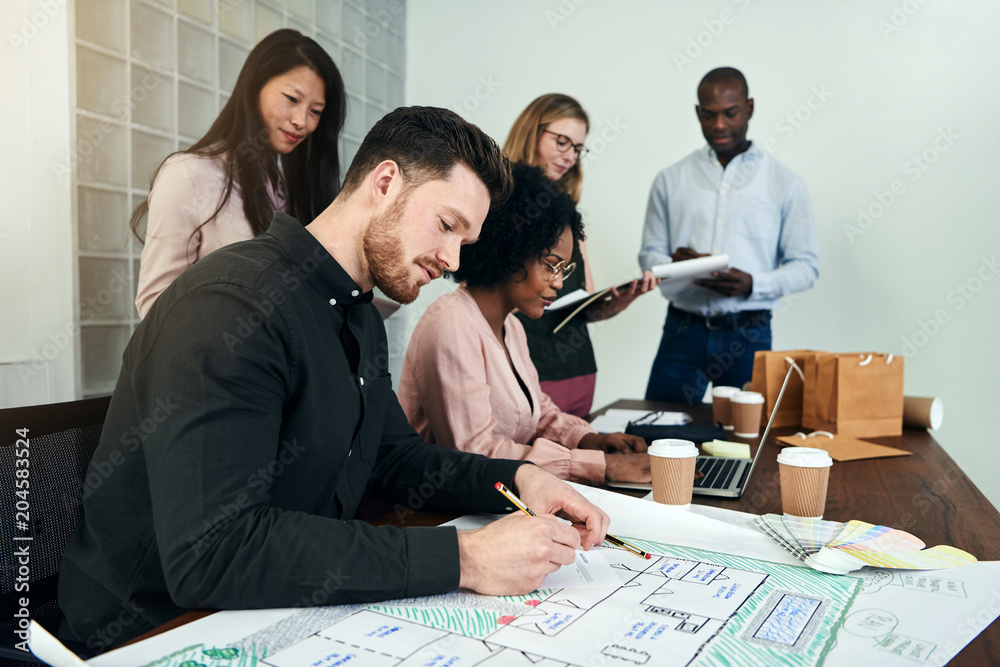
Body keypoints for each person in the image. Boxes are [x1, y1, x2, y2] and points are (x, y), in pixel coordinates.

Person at [58, 107, 611, 650]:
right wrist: (468, 559)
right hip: (154, 630)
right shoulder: (231, 306)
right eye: (446, 226)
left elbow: (395, 458)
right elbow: (214, 551)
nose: (449, 260)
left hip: (276, 607)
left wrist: (518, 480)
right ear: (386, 182)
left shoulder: (359, 314)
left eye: (463, 244)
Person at [399, 163, 651, 486]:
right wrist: (599, 466)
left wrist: (590, 440)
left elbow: (536, 412)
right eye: (551, 265)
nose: (559, 282)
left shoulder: (512, 326)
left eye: (564, 269)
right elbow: (477, 454)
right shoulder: (452, 322)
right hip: (432, 516)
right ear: (512, 250)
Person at [131, 28, 346, 318]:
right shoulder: (188, 175)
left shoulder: (286, 191)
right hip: (220, 361)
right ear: (255, 87)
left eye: (316, 111)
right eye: (292, 99)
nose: (301, 121)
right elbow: (154, 305)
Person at [639, 67, 820, 403]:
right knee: (658, 432)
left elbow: (807, 266)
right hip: (682, 331)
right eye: (708, 115)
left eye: (730, 113)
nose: (719, 125)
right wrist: (673, 266)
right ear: (697, 113)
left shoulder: (785, 183)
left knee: (746, 441)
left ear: (749, 108)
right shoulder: (670, 179)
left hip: (749, 334)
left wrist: (753, 283)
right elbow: (650, 253)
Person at [503, 94, 657, 418]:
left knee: (576, 463)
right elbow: (487, 300)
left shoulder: (568, 212)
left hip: (580, 370)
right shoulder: (498, 204)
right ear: (532, 131)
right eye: (562, 142)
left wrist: (615, 303)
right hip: (527, 369)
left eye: (577, 148)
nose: (570, 156)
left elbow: (580, 304)